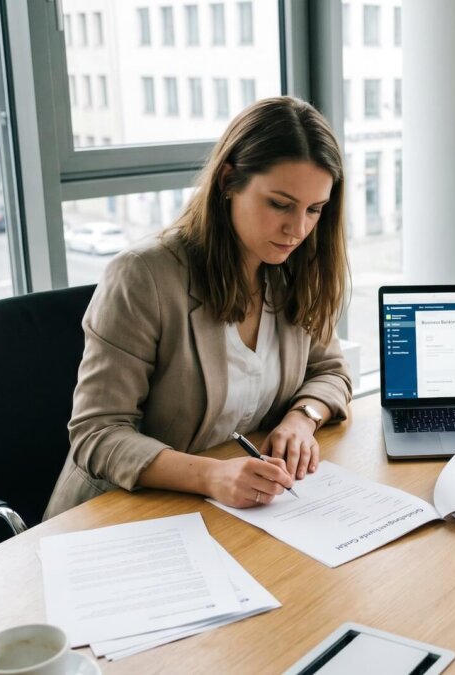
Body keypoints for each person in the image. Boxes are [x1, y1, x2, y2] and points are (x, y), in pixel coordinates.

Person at [45, 97, 352, 518]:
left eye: (314, 210)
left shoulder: (291, 269)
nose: (297, 229)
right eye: (280, 204)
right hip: (125, 510)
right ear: (228, 181)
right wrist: (213, 476)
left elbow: (330, 371)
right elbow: (96, 433)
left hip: (234, 511)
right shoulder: (144, 276)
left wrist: (303, 417)